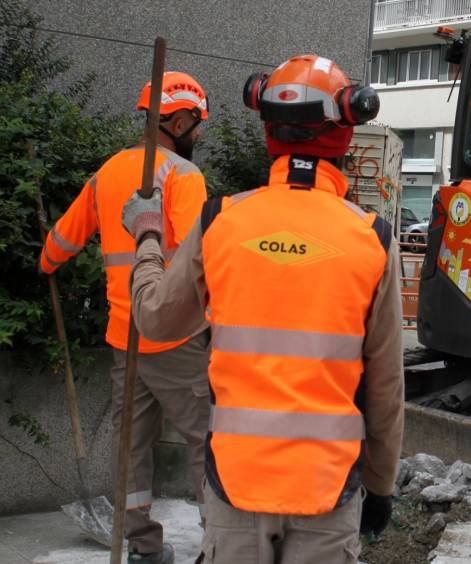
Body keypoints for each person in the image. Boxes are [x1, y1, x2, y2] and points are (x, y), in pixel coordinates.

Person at [121, 54, 403, 563]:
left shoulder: (222, 222)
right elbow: (385, 388)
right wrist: (380, 486)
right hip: (328, 485)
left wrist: (147, 235)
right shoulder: (373, 239)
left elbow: (156, 319)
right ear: (345, 127)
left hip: (235, 483)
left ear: (268, 125)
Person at [39, 71, 211, 564]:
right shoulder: (183, 175)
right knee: (206, 441)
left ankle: (142, 547)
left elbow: (63, 240)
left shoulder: (108, 172)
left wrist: (46, 259)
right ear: (177, 120)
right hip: (176, 337)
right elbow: (202, 258)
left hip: (125, 337)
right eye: (195, 125)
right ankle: (218, 543)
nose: (198, 135)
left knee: (131, 447)